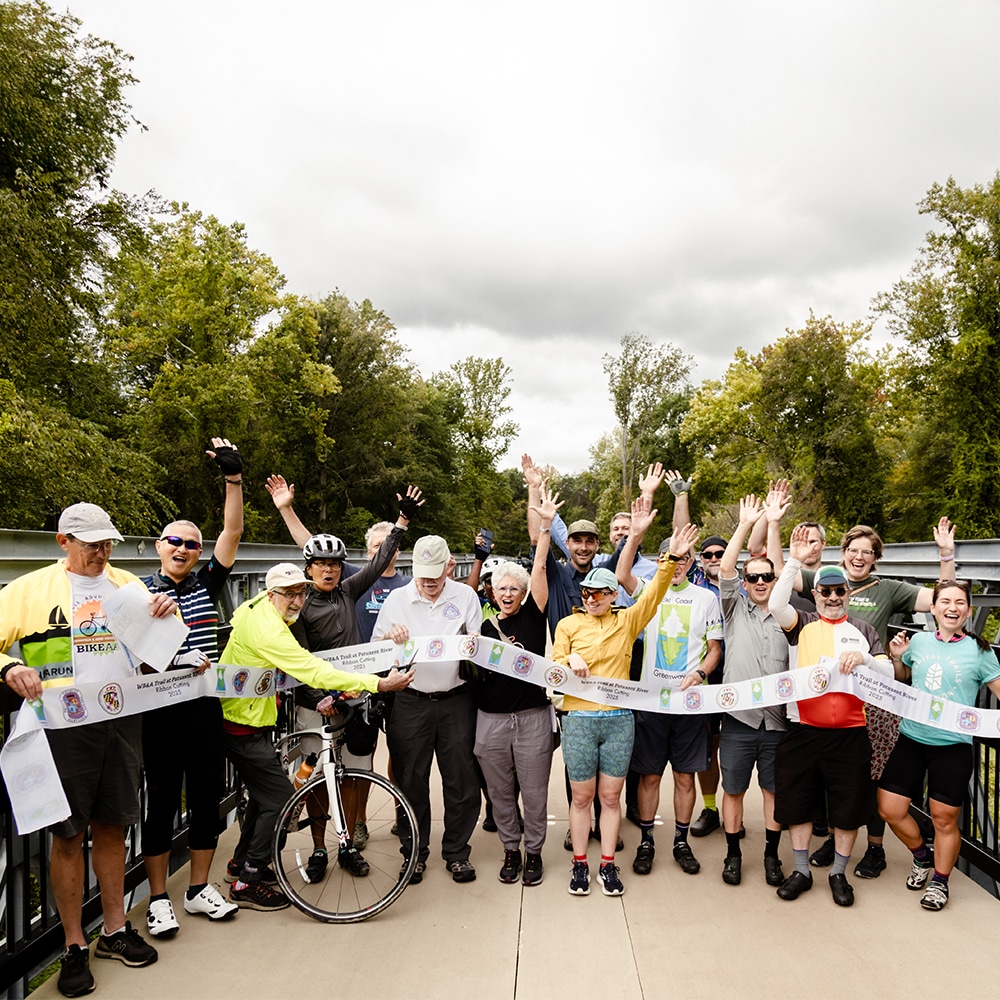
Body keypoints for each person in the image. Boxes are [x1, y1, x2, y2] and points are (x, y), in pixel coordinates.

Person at [0, 503, 179, 998]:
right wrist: (6, 668)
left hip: (123, 719)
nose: (100, 553)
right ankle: (74, 945)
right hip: (63, 728)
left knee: (115, 824)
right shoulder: (27, 590)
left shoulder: (128, 584)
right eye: (90, 544)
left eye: (107, 544)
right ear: (63, 542)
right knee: (67, 834)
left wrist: (167, 615)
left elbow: (158, 649)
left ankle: (115, 930)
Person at [219, 563, 413, 910]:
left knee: (265, 796)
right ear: (271, 593)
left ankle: (240, 862)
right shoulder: (270, 632)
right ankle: (246, 880)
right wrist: (377, 684)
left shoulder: (255, 605)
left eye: (301, 593)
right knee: (280, 801)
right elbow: (313, 669)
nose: (297, 601)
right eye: (289, 594)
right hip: (242, 724)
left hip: (250, 719)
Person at [792, 519, 956, 877]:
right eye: (853, 550)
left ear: (875, 558)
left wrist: (946, 554)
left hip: (874, 699)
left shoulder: (888, 589)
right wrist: (787, 544)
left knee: (870, 773)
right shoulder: (825, 579)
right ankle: (834, 839)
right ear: (843, 553)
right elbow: (776, 583)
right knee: (836, 772)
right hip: (828, 695)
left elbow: (943, 598)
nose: (859, 557)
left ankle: (876, 849)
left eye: (867, 552)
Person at [283, 486, 422, 882]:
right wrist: (319, 696)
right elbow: (300, 660)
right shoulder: (298, 606)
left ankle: (346, 845)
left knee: (356, 772)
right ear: (308, 569)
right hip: (318, 703)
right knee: (316, 780)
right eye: (320, 564)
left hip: (356, 698)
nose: (328, 570)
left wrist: (401, 523)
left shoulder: (348, 590)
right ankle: (320, 849)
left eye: (334, 564)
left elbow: (379, 564)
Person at [555, 498, 689, 898]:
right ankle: (580, 866)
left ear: (614, 595)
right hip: (578, 720)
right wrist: (569, 658)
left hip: (617, 720)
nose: (592, 598)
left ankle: (607, 866)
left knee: (611, 798)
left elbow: (655, 594)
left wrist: (670, 558)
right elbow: (554, 664)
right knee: (582, 798)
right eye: (587, 592)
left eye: (600, 593)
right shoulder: (567, 624)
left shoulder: (629, 621)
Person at [139, 438, 243, 940]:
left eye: (191, 543)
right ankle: (158, 898)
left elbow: (233, 530)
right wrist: (153, 625)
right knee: (160, 803)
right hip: (159, 710)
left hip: (203, 704)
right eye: (173, 541)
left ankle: (198, 889)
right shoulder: (135, 592)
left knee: (206, 797)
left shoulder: (206, 583)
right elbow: (122, 657)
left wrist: (233, 479)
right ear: (158, 547)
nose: (182, 548)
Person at [768, 525, 892, 907]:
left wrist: (867, 659)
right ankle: (802, 870)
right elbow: (775, 604)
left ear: (848, 594)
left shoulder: (865, 629)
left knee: (846, 806)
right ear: (817, 594)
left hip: (852, 732)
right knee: (799, 802)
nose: (833, 596)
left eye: (840, 591)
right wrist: (793, 560)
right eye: (826, 591)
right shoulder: (802, 625)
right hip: (804, 729)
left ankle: (838, 872)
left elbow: (888, 673)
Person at [879, 580, 1000, 911]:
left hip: (953, 746)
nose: (952, 607)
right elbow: (903, 676)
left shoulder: (981, 651)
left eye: (960, 602)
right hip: (912, 738)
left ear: (969, 611)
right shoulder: (918, 641)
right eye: (944, 601)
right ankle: (922, 856)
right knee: (889, 809)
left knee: (944, 819)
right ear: (932, 609)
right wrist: (899, 657)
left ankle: (940, 882)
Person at [372, 536, 483, 884]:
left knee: (461, 778)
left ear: (449, 566)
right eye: (423, 575)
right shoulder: (397, 598)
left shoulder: (465, 596)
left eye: (436, 574)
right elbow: (375, 649)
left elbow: (477, 649)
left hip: (456, 699)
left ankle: (457, 852)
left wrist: (471, 643)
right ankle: (414, 852)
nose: (430, 582)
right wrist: (390, 636)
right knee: (410, 780)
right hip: (411, 700)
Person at [617, 518, 722, 880]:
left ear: (692, 562)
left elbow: (714, 648)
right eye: (669, 558)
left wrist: (700, 674)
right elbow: (622, 573)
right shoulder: (649, 591)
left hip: (689, 706)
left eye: (683, 558)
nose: (677, 565)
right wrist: (635, 534)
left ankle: (680, 840)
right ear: (661, 561)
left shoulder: (707, 598)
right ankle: (647, 840)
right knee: (648, 777)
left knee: (684, 777)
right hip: (651, 703)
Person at [474, 483, 562, 886]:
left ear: (524, 593)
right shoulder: (478, 626)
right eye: (501, 588)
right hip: (490, 719)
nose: (507, 593)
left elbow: (541, 567)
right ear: (491, 591)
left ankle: (534, 853)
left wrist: (545, 527)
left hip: (531, 717)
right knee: (500, 791)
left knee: (534, 791)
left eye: (515, 588)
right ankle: (510, 849)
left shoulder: (532, 616)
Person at [716, 492, 790, 887]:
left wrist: (775, 523)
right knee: (733, 790)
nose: (760, 582)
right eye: (754, 578)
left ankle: (771, 857)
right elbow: (726, 568)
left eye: (767, 577)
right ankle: (732, 855)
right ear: (745, 583)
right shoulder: (733, 608)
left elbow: (781, 569)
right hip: (740, 719)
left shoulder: (786, 614)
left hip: (777, 722)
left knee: (773, 793)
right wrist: (745, 525)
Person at [664, 470, 728, 838]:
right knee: (707, 746)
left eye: (721, 554)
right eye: (707, 554)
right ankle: (709, 808)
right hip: (703, 672)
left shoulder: (744, 583)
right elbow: (680, 540)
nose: (714, 558)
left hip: (735, 672)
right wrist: (681, 496)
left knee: (727, 746)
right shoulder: (696, 582)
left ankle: (726, 805)